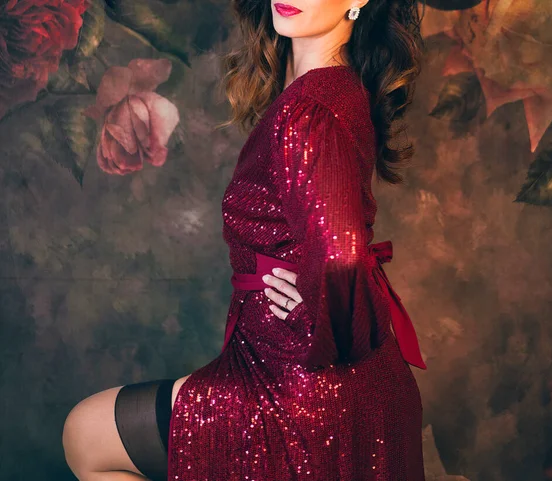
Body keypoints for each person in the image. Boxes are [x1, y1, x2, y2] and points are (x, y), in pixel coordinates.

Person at [62, 0, 427, 479]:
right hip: (327, 375)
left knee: (86, 435)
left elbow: (340, 257)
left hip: (305, 391)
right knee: (89, 431)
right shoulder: (334, 88)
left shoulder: (310, 110)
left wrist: (323, 316)